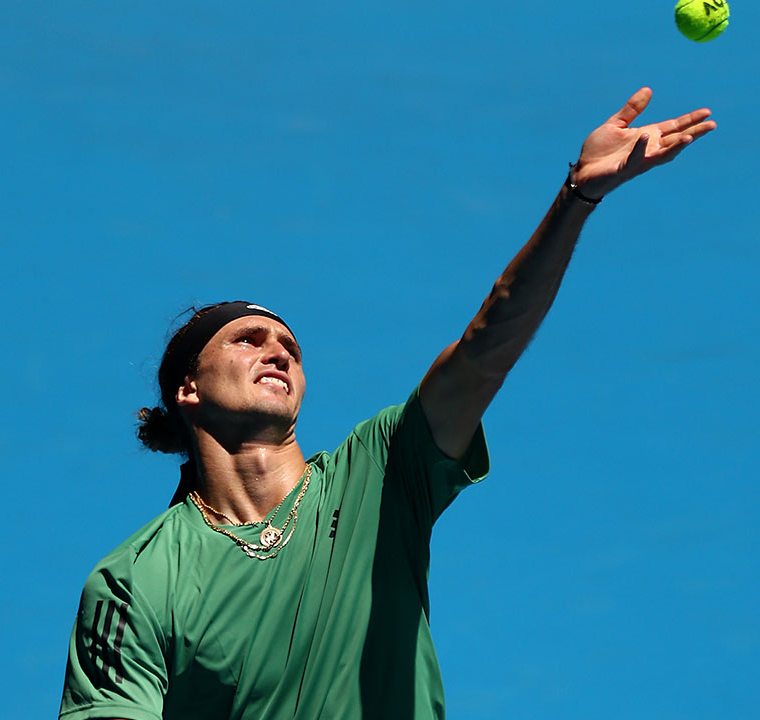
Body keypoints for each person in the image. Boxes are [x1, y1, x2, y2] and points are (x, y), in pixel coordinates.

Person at [59, 87, 715, 720]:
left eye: (289, 344)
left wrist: (576, 197)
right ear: (188, 390)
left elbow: (486, 344)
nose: (278, 351)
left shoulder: (379, 474)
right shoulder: (133, 582)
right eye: (247, 340)